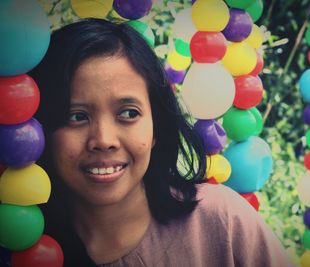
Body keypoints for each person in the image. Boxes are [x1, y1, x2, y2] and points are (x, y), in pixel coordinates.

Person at [30, 18, 293, 267]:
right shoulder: (20, 248)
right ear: (40, 130)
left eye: (128, 113)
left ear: (155, 126)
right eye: (76, 116)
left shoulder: (222, 222)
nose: (104, 140)